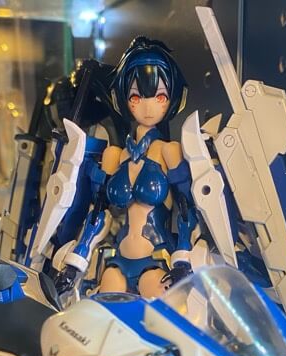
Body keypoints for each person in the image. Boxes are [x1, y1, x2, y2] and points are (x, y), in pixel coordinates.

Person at [57, 36, 201, 298]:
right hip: (118, 262)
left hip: (157, 260)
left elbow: (186, 209)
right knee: (103, 310)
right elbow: (98, 213)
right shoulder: (115, 155)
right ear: (123, 99)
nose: (147, 107)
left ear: (172, 98)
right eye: (136, 97)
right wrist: (75, 262)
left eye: (159, 96)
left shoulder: (168, 151)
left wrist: (182, 260)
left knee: (161, 315)